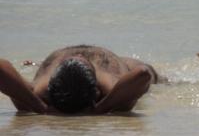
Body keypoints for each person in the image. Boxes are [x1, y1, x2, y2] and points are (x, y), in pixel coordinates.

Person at [0, 45, 164, 115]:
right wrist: (102, 108)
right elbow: (143, 74)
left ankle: (37, 64)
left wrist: (40, 107)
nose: (78, 55)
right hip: (125, 64)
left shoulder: (36, 94)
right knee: (151, 72)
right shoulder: (112, 92)